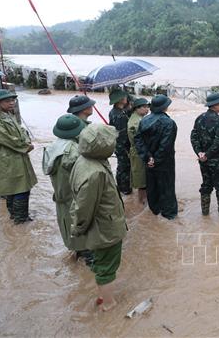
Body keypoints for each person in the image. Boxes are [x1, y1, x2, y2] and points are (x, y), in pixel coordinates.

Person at [69, 124, 127, 312]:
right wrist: (78, 228)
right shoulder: (95, 172)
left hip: (101, 225)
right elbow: (84, 208)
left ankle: (102, 296)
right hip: (105, 228)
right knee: (107, 266)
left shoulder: (84, 160)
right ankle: (108, 303)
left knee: (102, 262)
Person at [0, 89, 37, 223]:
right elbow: (5, 138)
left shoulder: (5, 114)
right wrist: (26, 147)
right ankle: (21, 220)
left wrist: (26, 142)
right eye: (8, 101)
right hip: (4, 159)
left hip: (14, 157)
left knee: (14, 187)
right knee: (19, 189)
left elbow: (21, 131)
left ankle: (15, 218)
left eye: (13, 100)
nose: (12, 103)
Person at [42, 114, 93, 265]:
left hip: (61, 196)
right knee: (86, 233)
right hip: (75, 197)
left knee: (69, 227)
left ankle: (78, 256)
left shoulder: (52, 147)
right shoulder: (75, 152)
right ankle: (88, 263)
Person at [134, 94, 178, 219]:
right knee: (167, 187)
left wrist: (148, 158)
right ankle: (169, 215)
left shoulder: (144, 120)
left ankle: (154, 210)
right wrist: (155, 159)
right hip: (164, 162)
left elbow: (138, 140)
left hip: (149, 162)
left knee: (152, 186)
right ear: (165, 107)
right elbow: (166, 145)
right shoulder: (169, 123)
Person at [190, 92, 219, 216]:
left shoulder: (199, 118)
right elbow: (218, 142)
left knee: (206, 185)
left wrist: (200, 153)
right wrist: (207, 154)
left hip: (204, 161)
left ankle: (205, 214)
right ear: (215, 105)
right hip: (218, 160)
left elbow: (193, 137)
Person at [108, 89, 132, 195]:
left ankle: (121, 186)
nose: (127, 98)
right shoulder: (119, 115)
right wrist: (126, 149)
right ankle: (124, 188)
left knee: (122, 165)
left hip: (117, 144)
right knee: (124, 166)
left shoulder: (117, 111)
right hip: (122, 145)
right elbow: (123, 134)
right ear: (120, 100)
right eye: (124, 97)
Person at [127, 97, 149, 204]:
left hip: (140, 151)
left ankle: (143, 203)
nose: (147, 109)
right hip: (138, 152)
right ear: (137, 108)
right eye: (144, 107)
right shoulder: (135, 122)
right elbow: (140, 140)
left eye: (147, 107)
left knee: (143, 178)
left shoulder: (139, 118)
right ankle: (142, 203)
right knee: (141, 180)